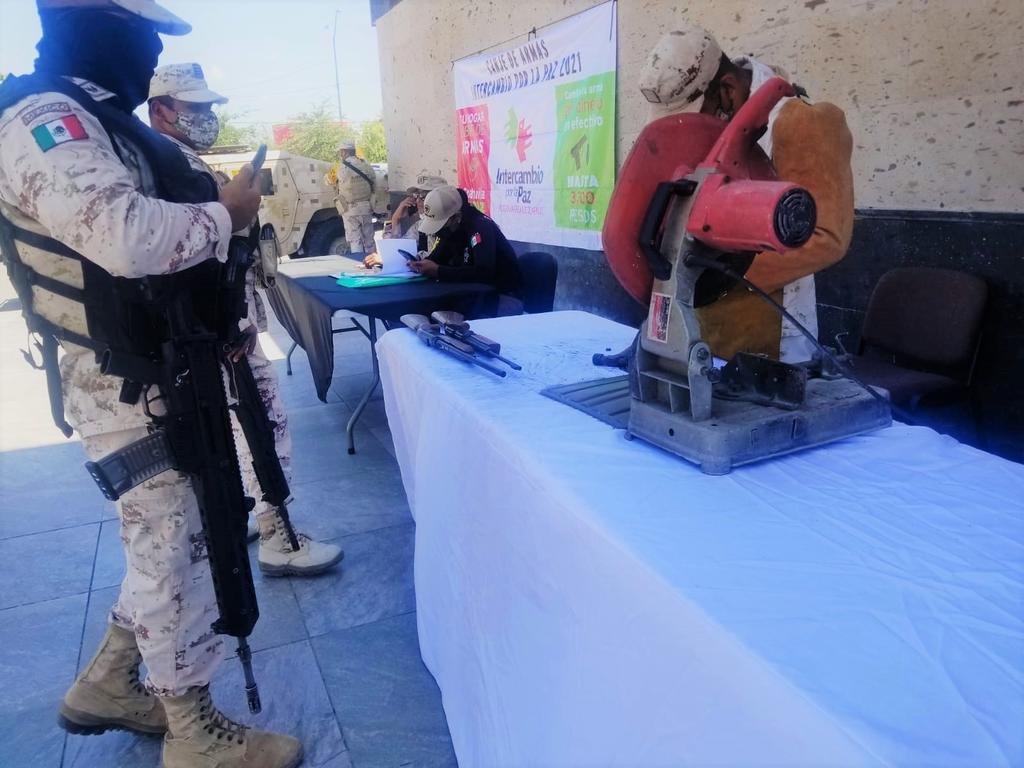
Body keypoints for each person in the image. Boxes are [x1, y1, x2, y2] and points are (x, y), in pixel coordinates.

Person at [0, 3, 300, 767]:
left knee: (176, 537)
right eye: (144, 35)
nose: (148, 53)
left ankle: (108, 681)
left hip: (164, 368)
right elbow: (127, 237)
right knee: (172, 549)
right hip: (119, 383)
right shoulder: (42, 117)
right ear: (95, 22)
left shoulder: (96, 116)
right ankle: (193, 732)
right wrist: (226, 214)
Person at [148, 62, 343, 579]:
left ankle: (258, 514)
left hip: (217, 326)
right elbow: (193, 260)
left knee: (242, 428)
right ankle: (280, 535)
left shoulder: (172, 161)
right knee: (263, 424)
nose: (207, 116)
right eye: (195, 107)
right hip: (221, 331)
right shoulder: (171, 166)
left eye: (209, 107)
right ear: (160, 110)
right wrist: (227, 323)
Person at [638, 25, 854, 363]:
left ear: (727, 91)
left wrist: (710, 275)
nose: (690, 132)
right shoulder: (715, 128)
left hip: (768, 346)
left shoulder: (798, 122)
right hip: (699, 334)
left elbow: (824, 236)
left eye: (696, 116)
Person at [409, 185, 524, 316]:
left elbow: (483, 272)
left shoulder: (480, 227)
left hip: (501, 297)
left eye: (441, 225)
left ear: (456, 217)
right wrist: (421, 264)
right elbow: (438, 257)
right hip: (471, 294)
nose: (439, 231)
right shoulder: (452, 229)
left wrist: (439, 271)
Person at [330, 139, 377, 258]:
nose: (340, 154)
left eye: (341, 152)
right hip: (366, 207)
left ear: (345, 152)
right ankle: (373, 262)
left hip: (350, 210)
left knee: (355, 240)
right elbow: (374, 182)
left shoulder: (341, 168)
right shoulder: (365, 165)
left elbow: (332, 182)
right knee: (369, 239)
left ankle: (359, 262)